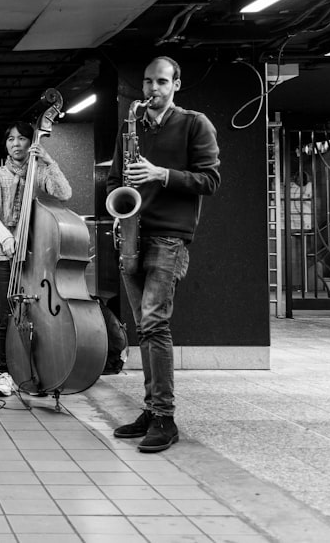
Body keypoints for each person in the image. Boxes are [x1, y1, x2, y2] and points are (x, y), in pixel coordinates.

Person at [107, 56, 220, 453]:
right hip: (133, 233)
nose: (152, 89)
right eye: (148, 81)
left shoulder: (194, 123)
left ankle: (165, 418)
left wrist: (162, 175)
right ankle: (152, 410)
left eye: (161, 82)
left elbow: (210, 179)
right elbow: (115, 179)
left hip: (170, 238)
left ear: (176, 85)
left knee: (154, 324)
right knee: (144, 327)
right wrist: (118, 204)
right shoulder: (131, 125)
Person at [0, 121, 73, 397]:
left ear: (30, 142)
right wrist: (7, 238)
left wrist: (50, 161)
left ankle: (39, 369)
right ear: (6, 144)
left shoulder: (39, 173)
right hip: (5, 255)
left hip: (36, 257)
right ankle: (6, 373)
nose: (16, 144)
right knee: (6, 315)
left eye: (22, 138)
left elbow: (65, 193)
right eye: (11, 139)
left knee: (38, 314)